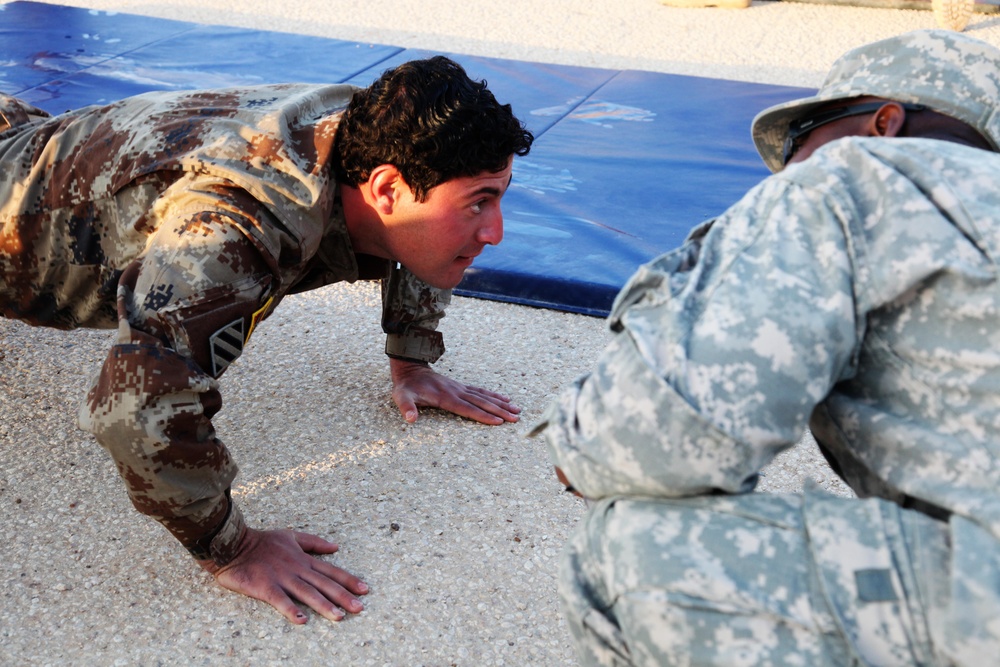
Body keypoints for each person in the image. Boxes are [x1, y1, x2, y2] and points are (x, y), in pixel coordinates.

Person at [0, 56, 533, 624]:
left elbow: (416, 229)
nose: (496, 233)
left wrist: (414, 353)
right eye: (478, 202)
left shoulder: (383, 132)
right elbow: (133, 410)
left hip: (38, 145)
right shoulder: (233, 233)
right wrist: (232, 546)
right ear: (385, 188)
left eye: (498, 197)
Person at [533, 29, 1000, 665]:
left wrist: (580, 441)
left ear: (883, 122)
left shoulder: (858, 173)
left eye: (801, 139)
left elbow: (655, 445)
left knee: (629, 550)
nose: (787, 167)